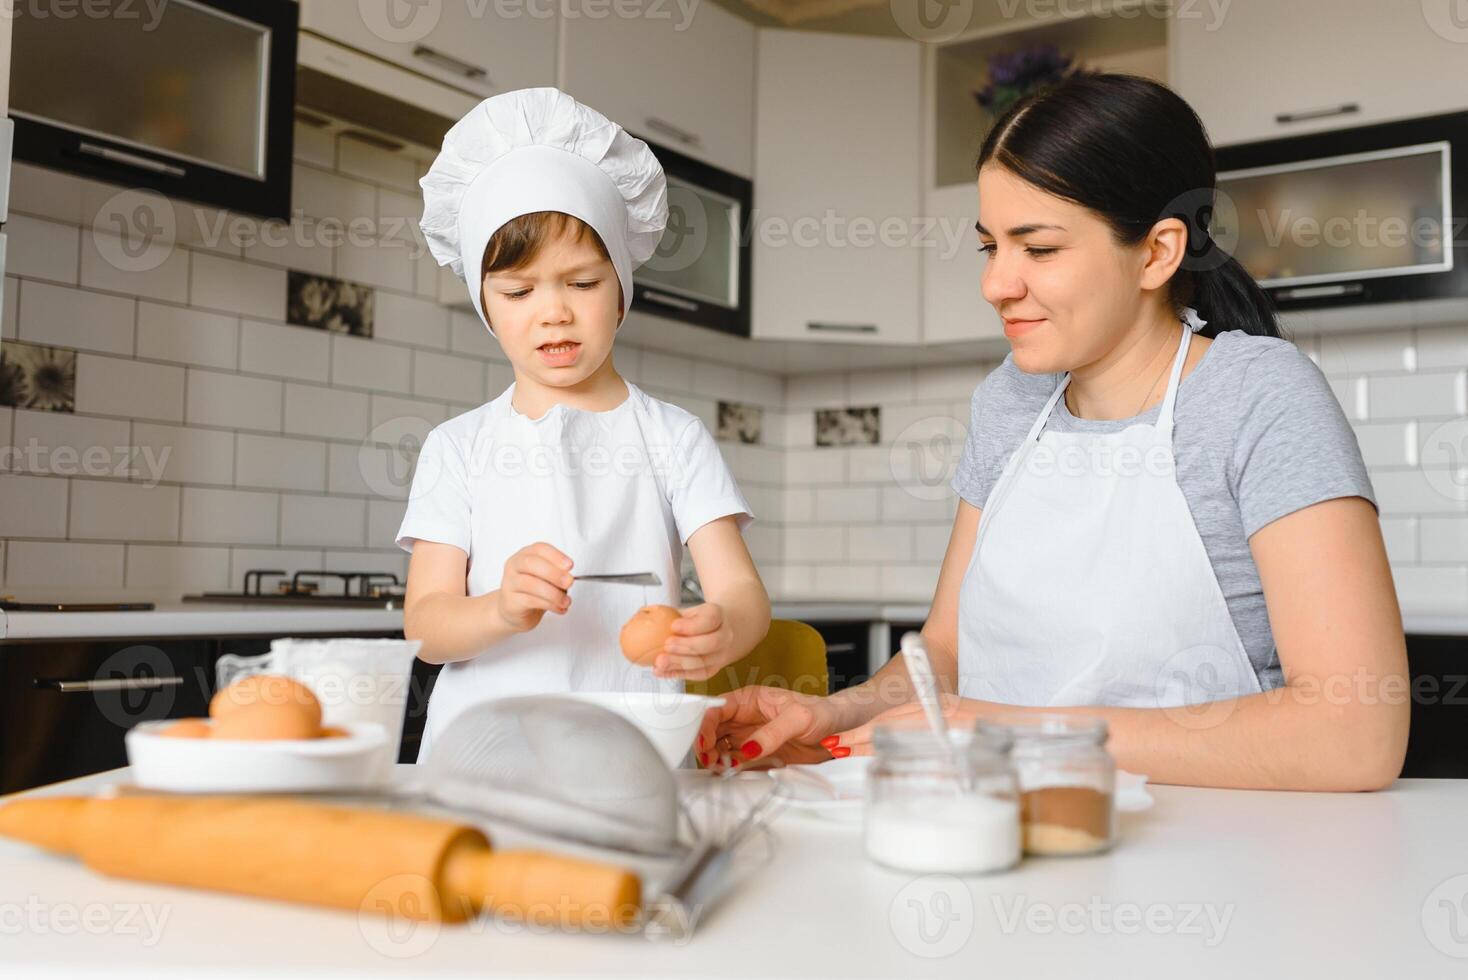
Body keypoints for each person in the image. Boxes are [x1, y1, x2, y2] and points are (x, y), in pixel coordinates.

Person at [697, 73, 1408, 791]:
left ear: (1159, 253)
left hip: (1209, 859)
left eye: (1037, 249)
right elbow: (943, 655)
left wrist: (1007, 730)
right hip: (994, 837)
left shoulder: (1256, 395)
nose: (996, 284)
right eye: (989, 247)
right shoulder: (1009, 401)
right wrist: (834, 715)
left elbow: (1353, 735)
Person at [399, 88, 770, 761]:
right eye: (519, 291)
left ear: (623, 285)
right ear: (485, 302)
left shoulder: (672, 437)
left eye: (583, 283)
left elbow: (740, 593)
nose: (554, 313)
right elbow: (426, 627)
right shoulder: (457, 448)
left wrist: (724, 628)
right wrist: (499, 609)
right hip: (485, 762)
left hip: (636, 757)